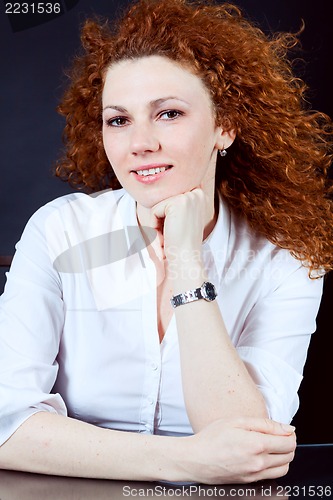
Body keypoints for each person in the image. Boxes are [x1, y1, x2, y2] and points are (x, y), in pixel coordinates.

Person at [0, 0, 332, 485]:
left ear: (226, 125)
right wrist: (186, 461)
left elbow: (249, 447)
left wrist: (186, 261)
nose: (140, 143)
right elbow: (4, 423)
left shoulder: (286, 255)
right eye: (118, 120)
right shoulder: (59, 231)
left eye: (169, 113)